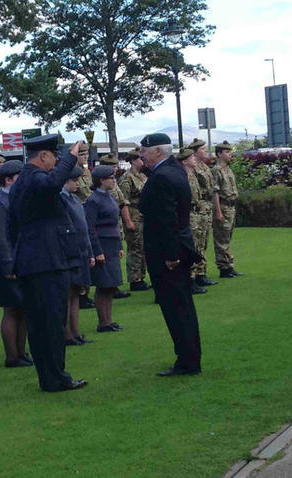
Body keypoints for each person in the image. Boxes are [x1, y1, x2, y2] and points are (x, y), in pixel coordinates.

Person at [8, 133, 87, 392]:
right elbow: (54, 183)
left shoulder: (24, 181)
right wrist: (72, 156)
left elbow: (12, 227)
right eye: (54, 156)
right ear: (43, 156)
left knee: (40, 323)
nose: (56, 162)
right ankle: (56, 377)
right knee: (51, 322)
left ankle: (49, 377)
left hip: (33, 260)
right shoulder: (36, 178)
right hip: (46, 261)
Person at [138, 133, 202, 377]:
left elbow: (167, 219)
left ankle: (187, 361)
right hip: (175, 248)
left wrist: (171, 255)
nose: (140, 155)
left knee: (177, 309)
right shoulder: (172, 170)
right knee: (181, 307)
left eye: (144, 150)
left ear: (158, 152)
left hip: (169, 254)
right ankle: (188, 357)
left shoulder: (163, 177)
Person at [0, 160, 33, 368]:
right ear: (9, 179)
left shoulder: (15, 199)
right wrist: (8, 266)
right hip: (7, 264)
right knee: (11, 310)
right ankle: (12, 356)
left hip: (20, 261)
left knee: (22, 308)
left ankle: (21, 353)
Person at [85, 165, 125, 333]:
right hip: (102, 244)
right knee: (103, 284)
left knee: (111, 285)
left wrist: (119, 246)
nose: (113, 181)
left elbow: (115, 222)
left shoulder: (109, 197)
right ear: (102, 180)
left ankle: (109, 320)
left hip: (112, 243)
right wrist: (97, 250)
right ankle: (103, 322)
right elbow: (90, 227)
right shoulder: (93, 200)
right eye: (111, 178)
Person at [61, 166, 96, 344]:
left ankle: (76, 332)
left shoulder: (74, 199)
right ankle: (67, 334)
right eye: (74, 181)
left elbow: (84, 228)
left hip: (81, 251)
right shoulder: (61, 201)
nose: (77, 183)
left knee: (76, 294)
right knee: (68, 295)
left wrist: (90, 252)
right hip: (69, 253)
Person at [98, 153, 132, 299]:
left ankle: (114, 285)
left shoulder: (114, 183)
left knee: (115, 256)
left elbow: (122, 201)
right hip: (105, 226)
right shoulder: (104, 187)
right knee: (108, 258)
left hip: (115, 223)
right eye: (112, 167)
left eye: (116, 166)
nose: (115, 169)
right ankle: (109, 286)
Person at [188, 139, 219, 287]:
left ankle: (201, 272)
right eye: (202, 149)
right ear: (194, 152)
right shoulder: (192, 168)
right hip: (198, 207)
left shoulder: (205, 166)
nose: (205, 151)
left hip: (206, 206)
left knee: (204, 241)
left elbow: (212, 187)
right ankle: (192, 275)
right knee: (195, 242)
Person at [118, 148, 150, 291]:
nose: (142, 161)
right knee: (135, 248)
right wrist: (128, 221)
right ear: (132, 160)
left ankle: (141, 276)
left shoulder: (142, 176)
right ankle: (134, 279)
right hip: (133, 214)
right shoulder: (127, 178)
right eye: (139, 159)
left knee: (143, 248)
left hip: (143, 214)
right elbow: (123, 201)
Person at [178, 148, 207, 294]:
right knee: (191, 247)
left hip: (197, 213)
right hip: (189, 215)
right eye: (191, 157)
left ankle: (196, 277)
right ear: (184, 161)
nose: (194, 159)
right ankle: (190, 280)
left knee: (199, 245)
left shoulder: (192, 175)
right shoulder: (182, 177)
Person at [212, 141, 243, 278]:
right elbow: (215, 192)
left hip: (231, 207)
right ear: (219, 154)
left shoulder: (228, 169)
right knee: (221, 239)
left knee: (227, 237)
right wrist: (218, 212)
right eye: (227, 152)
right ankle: (223, 267)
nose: (230, 154)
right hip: (223, 207)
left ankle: (229, 265)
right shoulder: (216, 170)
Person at [74, 143, 96, 310]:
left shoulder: (86, 171)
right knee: (80, 252)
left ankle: (86, 292)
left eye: (86, 155)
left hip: (89, 212)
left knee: (90, 252)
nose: (85, 157)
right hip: (78, 212)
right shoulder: (72, 172)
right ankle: (80, 294)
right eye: (82, 155)